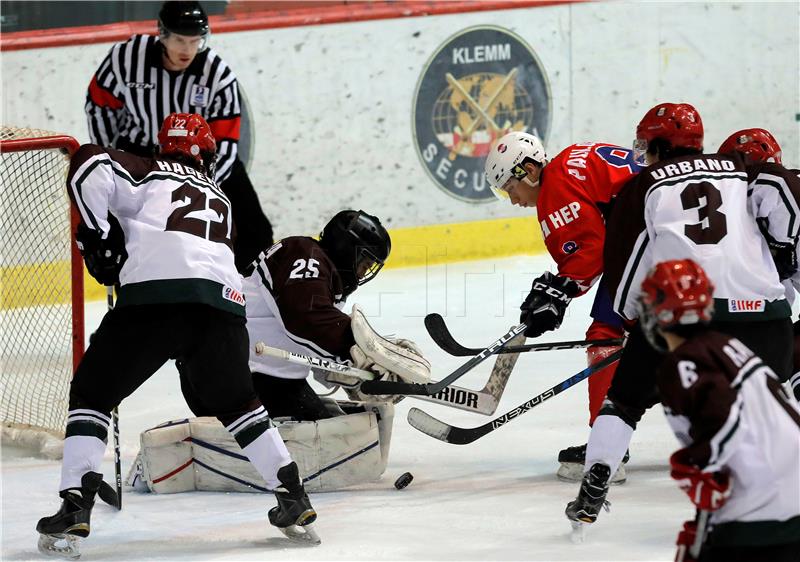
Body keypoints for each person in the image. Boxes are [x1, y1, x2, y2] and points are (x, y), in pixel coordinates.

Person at [36, 113, 318, 559]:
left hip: (154, 301)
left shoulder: (146, 170)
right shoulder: (221, 199)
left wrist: (99, 235)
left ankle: (74, 505)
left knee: (93, 393)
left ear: (161, 145)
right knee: (239, 404)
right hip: (223, 311)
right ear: (206, 155)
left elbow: (88, 164)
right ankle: (292, 495)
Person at [564, 102, 800, 529]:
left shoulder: (643, 186)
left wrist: (635, 322)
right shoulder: (740, 169)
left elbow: (628, 268)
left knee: (624, 403)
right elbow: (781, 192)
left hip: (688, 322)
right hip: (768, 321)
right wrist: (783, 256)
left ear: (656, 145)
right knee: (767, 400)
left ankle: (597, 474)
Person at [484, 132, 641, 482]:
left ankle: (607, 450)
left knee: (606, 335)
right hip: (658, 234)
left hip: (649, 241)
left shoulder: (554, 189)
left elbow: (590, 251)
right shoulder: (570, 163)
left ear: (528, 170)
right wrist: (560, 287)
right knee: (631, 334)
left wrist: (561, 290)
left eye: (510, 187)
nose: (512, 199)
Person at [85, 0, 272, 272]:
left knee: (256, 231)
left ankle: (250, 292)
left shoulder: (217, 76)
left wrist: (200, 189)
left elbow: (226, 144)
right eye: (180, 41)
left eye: (195, 41)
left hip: (199, 161)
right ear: (162, 34)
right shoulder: (126, 58)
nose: (188, 50)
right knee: (124, 229)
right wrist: (110, 159)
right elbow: (99, 104)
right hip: (140, 153)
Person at [639, 259, 800, 562]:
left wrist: (701, 466)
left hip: (763, 502)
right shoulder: (727, 345)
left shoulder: (683, 362)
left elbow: (722, 417)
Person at [718, 128, 800, 401]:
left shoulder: (769, 180)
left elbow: (775, 182)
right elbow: (780, 296)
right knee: (785, 350)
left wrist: (781, 247)